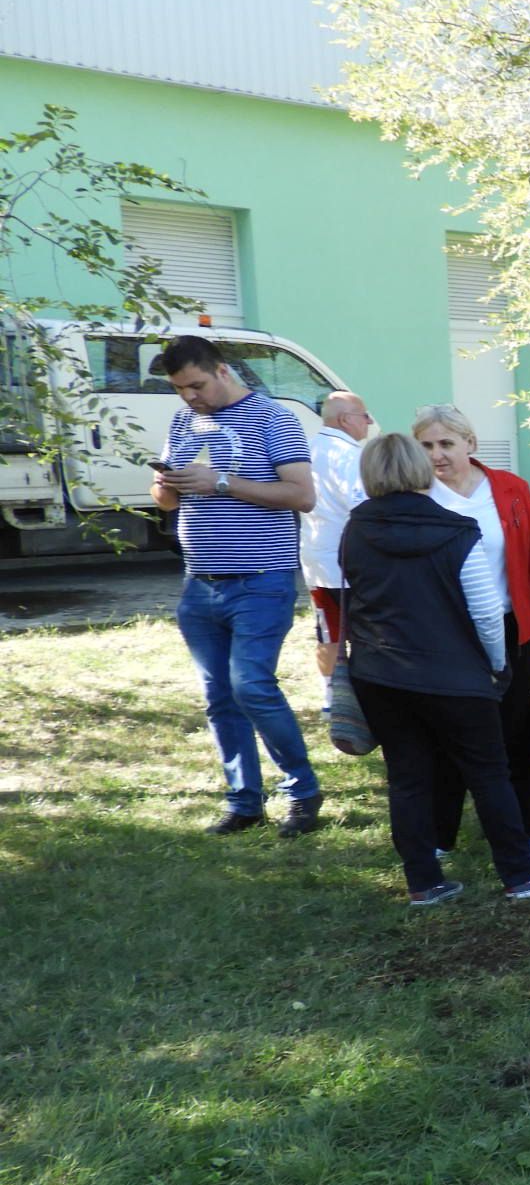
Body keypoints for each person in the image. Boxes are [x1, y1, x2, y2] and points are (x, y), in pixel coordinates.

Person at [339, 433, 530, 904]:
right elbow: (487, 612)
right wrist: (496, 663)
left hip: (380, 672)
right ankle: (520, 874)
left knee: (407, 777)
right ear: (419, 471)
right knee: (490, 773)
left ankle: (424, 881)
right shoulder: (457, 529)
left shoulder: (355, 529)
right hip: (453, 675)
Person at [147, 335, 324, 837]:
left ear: (221, 371)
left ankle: (302, 792)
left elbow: (302, 495)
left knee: (253, 687)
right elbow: (167, 506)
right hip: (199, 585)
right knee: (219, 697)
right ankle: (245, 802)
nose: (189, 397)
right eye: (180, 389)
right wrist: (165, 486)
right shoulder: (185, 422)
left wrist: (221, 482)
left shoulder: (273, 418)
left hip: (259, 582)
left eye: (196, 385)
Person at [411, 405, 530, 862]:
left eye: (445, 444)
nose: (437, 455)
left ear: (470, 444)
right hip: (444, 636)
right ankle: (440, 835)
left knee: (515, 732)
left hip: (510, 626)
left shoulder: (510, 489)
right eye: (426, 446)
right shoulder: (414, 494)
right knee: (446, 736)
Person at [304, 390, 374, 680]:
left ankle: (331, 698)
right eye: (364, 415)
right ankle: (362, 697)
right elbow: (363, 508)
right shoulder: (351, 456)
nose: (369, 421)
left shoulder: (308, 448)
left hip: (315, 558)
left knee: (328, 633)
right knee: (365, 635)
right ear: (346, 419)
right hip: (351, 562)